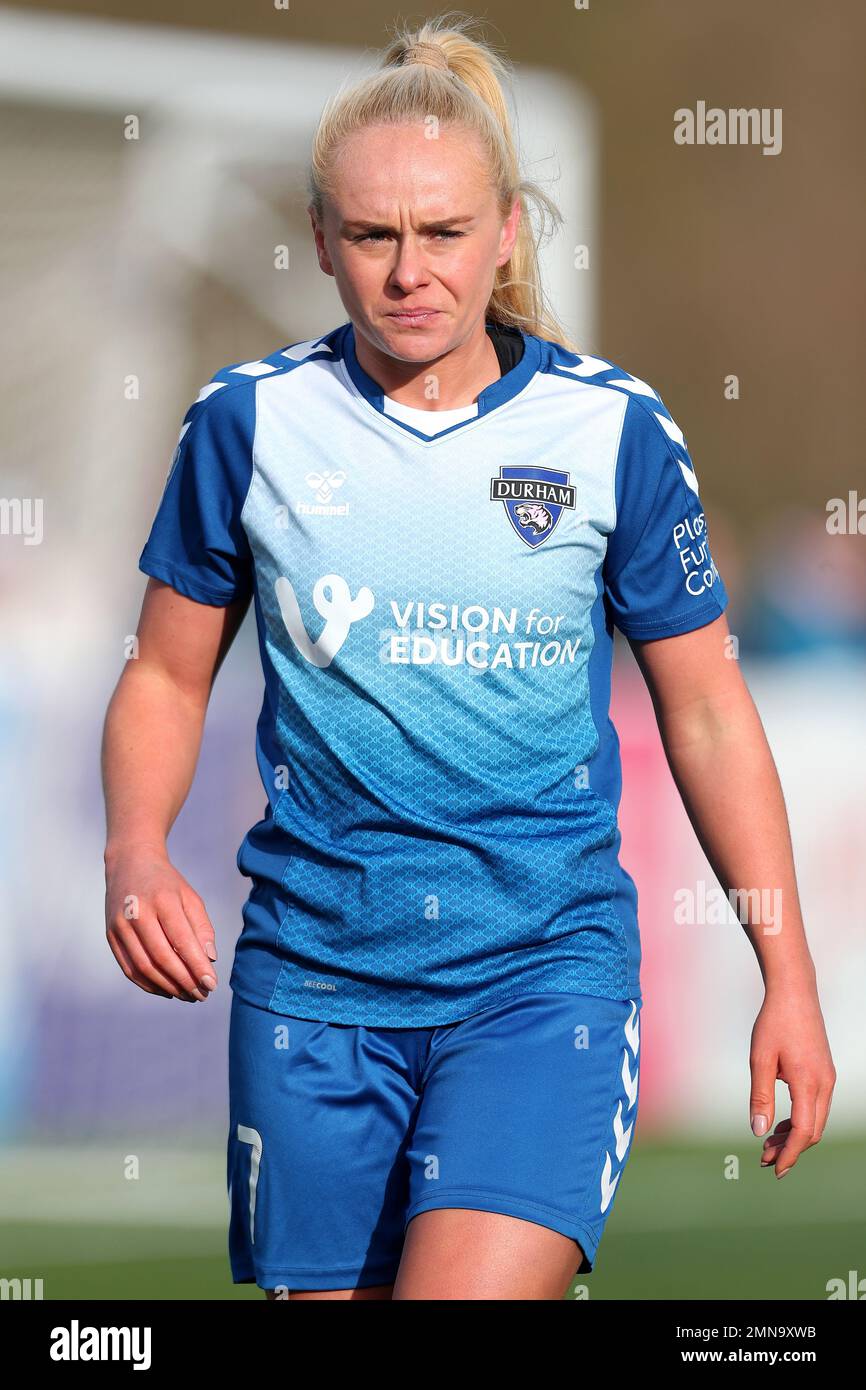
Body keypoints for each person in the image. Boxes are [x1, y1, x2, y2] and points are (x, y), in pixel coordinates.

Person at [101, 14, 836, 1301]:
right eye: (373, 236)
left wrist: (785, 973)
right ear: (321, 238)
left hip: (537, 985)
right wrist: (135, 851)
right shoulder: (249, 425)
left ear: (505, 229)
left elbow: (709, 713)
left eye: (442, 233)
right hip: (312, 992)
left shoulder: (610, 433)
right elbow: (165, 675)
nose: (408, 273)